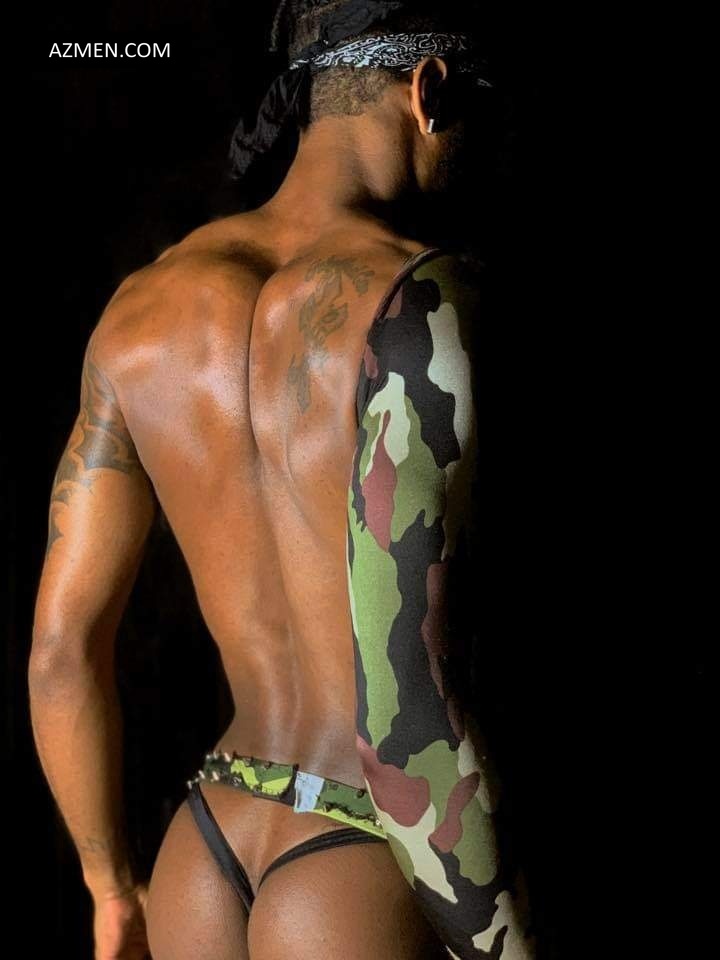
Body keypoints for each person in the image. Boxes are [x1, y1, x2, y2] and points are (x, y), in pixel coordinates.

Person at [28, 1, 536, 957]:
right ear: (428, 91)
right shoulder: (421, 299)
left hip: (209, 842)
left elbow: (61, 649)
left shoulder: (139, 312)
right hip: (366, 863)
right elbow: (406, 707)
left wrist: (113, 891)